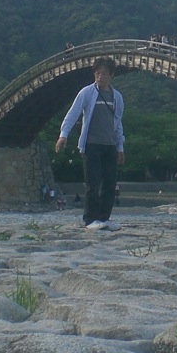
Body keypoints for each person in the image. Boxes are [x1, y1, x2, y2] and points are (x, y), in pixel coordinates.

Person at [55, 57, 126, 231]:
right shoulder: (86, 92)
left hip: (109, 145)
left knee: (109, 183)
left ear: (111, 75)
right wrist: (63, 134)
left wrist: (120, 147)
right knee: (93, 184)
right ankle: (90, 220)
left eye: (104, 73)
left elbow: (117, 123)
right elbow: (73, 113)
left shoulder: (117, 97)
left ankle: (104, 218)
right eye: (97, 73)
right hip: (91, 144)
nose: (100, 77)